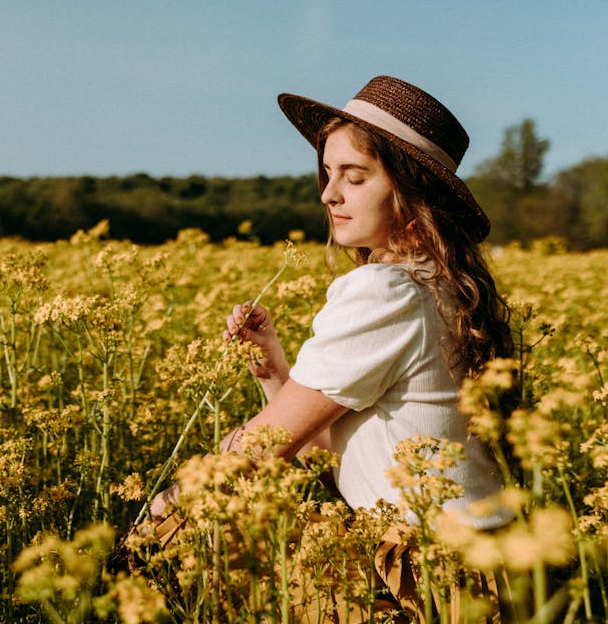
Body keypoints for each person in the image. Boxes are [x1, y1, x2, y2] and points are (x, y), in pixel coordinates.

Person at [149, 75, 513, 620]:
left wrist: (162, 514)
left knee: (182, 542)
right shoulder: (441, 284)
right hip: (486, 573)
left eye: (355, 176)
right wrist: (274, 368)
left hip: (425, 581)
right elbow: (331, 440)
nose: (329, 194)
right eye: (327, 173)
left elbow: (265, 447)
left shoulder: (384, 288)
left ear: (412, 190)